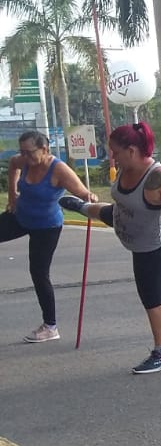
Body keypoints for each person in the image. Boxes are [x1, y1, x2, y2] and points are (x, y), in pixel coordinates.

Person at [59, 122, 161, 374]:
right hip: (125, 218)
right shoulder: (126, 168)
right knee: (102, 211)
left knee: (152, 298)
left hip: (152, 244)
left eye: (115, 151)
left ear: (132, 150)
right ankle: (80, 207)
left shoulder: (159, 179)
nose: (111, 156)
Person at [3, 132, 96, 343]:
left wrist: (90, 200)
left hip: (46, 227)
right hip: (20, 216)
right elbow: (13, 165)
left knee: (38, 272)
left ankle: (50, 327)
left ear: (45, 149)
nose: (25, 156)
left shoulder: (59, 170)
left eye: (29, 152)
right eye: (22, 152)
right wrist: (11, 196)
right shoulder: (23, 160)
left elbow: (83, 193)